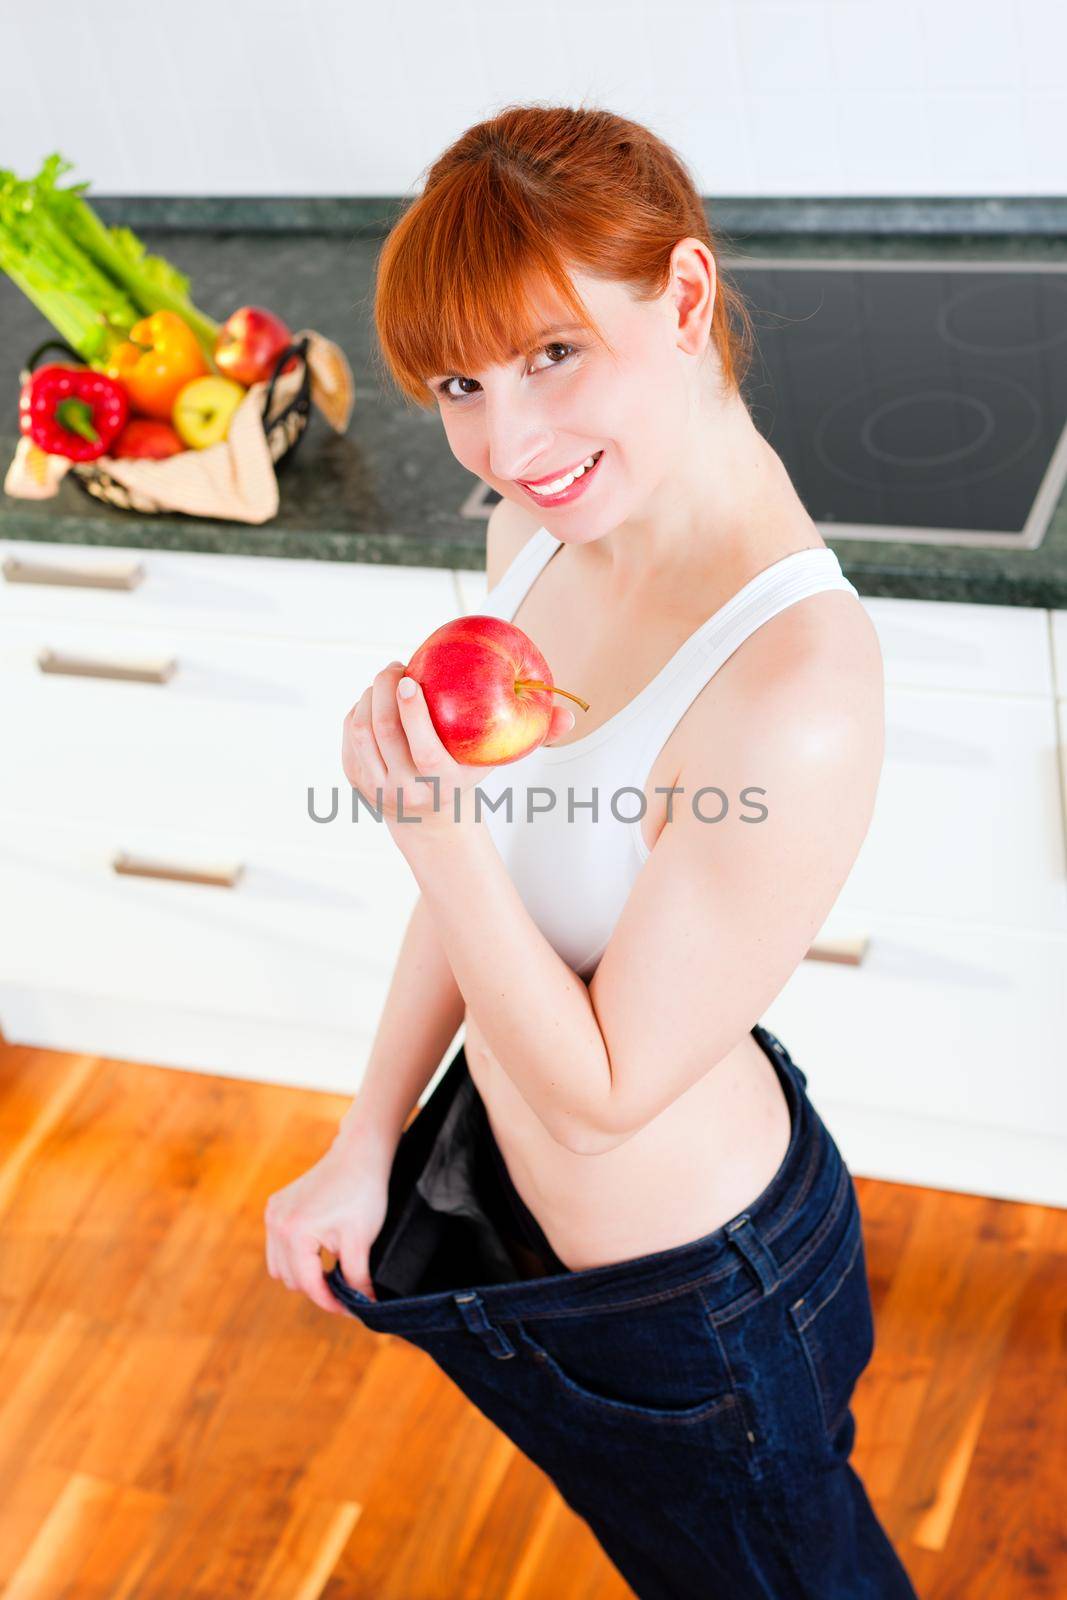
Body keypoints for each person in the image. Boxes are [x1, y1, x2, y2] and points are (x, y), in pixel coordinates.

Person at [264, 103, 920, 1599]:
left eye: (555, 355)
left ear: (683, 300)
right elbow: (490, 883)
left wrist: (428, 829)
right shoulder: (536, 540)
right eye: (461, 383)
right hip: (517, 1227)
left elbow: (612, 1090)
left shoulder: (792, 680)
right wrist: (367, 1143)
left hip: (698, 1301)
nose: (508, 438)